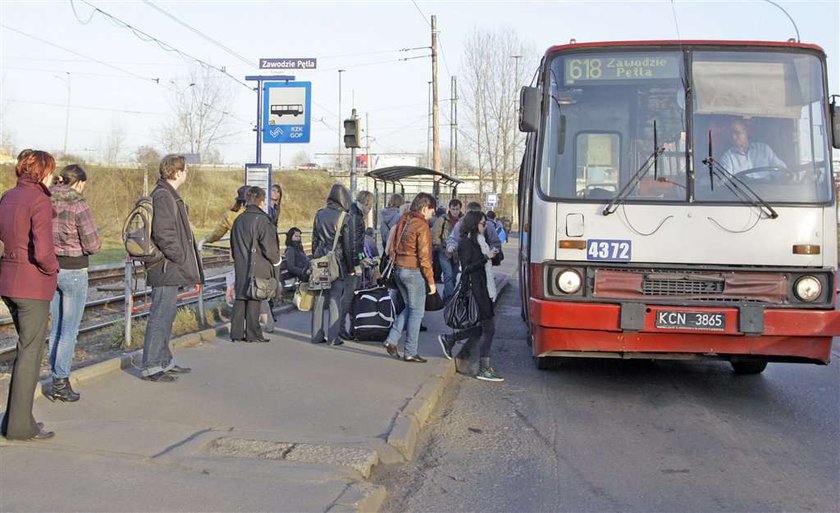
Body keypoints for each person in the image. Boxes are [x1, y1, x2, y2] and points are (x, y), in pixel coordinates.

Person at [0, 149, 59, 440]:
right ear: (43, 171)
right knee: (30, 354)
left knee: (24, 351)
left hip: (8, 282)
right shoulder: (39, 199)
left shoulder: (8, 196)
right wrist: (52, 269)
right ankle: (21, 427)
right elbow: (45, 250)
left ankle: (13, 421)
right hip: (32, 285)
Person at [140, 154, 204, 382]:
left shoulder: (167, 194)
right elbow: (165, 234)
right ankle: (151, 366)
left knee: (166, 315)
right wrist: (180, 257)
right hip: (166, 267)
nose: (186, 173)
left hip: (169, 267)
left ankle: (163, 360)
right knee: (160, 316)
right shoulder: (164, 196)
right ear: (176, 172)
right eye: (185, 170)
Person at [45, 164, 102, 402]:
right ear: (78, 183)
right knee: (69, 329)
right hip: (75, 270)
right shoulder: (79, 205)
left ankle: (54, 376)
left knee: (56, 327)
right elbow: (92, 245)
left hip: (51, 268)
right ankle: (61, 381)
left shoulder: (46, 201)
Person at [200, 186, 277, 333]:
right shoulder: (258, 215)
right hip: (258, 259)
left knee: (241, 294)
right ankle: (266, 324)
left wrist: (205, 240)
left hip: (239, 259)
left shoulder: (231, 215)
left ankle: (238, 329)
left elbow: (217, 233)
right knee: (259, 290)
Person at [438, 210, 504, 382]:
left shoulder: (481, 241)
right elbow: (467, 268)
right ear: (475, 225)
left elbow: (488, 262)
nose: (485, 227)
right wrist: (486, 257)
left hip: (484, 287)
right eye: (483, 224)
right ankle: (483, 368)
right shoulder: (466, 243)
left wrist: (495, 256)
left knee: (484, 327)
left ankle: (450, 338)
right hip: (475, 289)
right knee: (489, 329)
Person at [382, 192, 438, 362]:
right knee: (417, 312)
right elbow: (424, 257)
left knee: (410, 307)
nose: (433, 214)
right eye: (431, 210)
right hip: (414, 271)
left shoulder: (404, 219)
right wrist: (431, 281)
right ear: (424, 208)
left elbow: (392, 244)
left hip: (399, 269)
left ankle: (391, 340)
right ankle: (410, 351)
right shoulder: (421, 226)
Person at [230, 187, 282, 343]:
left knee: (240, 298)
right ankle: (253, 334)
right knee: (254, 297)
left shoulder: (238, 220)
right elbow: (269, 247)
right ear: (262, 200)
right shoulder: (263, 220)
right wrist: (276, 261)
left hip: (241, 264)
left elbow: (233, 244)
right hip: (258, 264)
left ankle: (236, 333)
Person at [310, 184, 354, 345]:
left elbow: (314, 240)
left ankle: (316, 335)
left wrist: (315, 258)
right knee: (335, 299)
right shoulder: (345, 217)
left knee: (319, 298)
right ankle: (333, 337)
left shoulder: (319, 215)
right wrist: (350, 268)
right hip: (338, 263)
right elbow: (348, 246)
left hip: (320, 260)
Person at [338, 190, 374, 340]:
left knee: (351, 296)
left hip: (351, 261)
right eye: (370, 205)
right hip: (350, 264)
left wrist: (362, 257)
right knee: (348, 297)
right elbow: (352, 244)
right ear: (367, 203)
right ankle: (340, 328)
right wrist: (355, 265)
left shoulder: (354, 213)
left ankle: (351, 327)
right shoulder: (355, 217)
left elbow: (357, 246)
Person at [718, 119, 786, 174]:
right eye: (730, 134)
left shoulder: (764, 149)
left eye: (737, 132)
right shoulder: (728, 158)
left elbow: (781, 170)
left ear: (746, 132)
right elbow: (725, 184)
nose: (733, 137)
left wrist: (786, 176)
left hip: (766, 190)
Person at [431, 198, 462, 300]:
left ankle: (446, 294)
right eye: (453, 209)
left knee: (454, 275)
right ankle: (450, 298)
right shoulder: (443, 219)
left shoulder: (462, 220)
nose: (455, 212)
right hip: (444, 251)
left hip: (457, 252)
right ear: (450, 209)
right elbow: (435, 234)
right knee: (447, 275)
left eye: (457, 209)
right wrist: (440, 247)